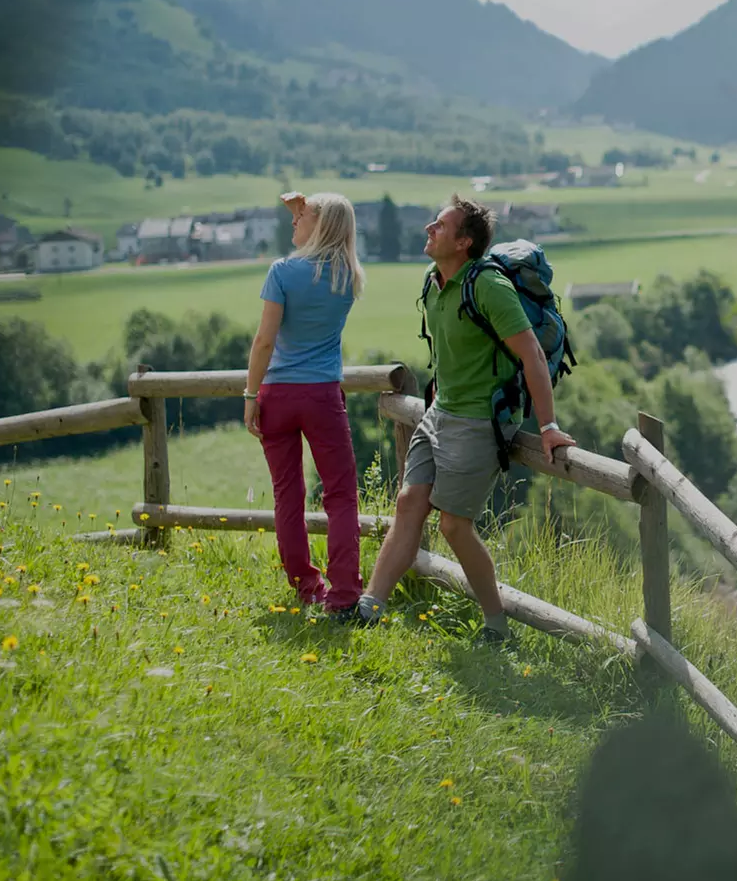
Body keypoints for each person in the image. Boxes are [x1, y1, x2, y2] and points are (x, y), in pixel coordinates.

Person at [354, 195, 577, 640]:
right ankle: (368, 609)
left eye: (440, 225)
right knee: (408, 503)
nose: (429, 229)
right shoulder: (432, 282)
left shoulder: (489, 287)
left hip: (479, 421)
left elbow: (532, 355)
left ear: (464, 242)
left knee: (454, 526)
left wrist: (548, 427)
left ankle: (497, 626)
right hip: (440, 412)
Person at [243, 191, 366, 615]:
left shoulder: (281, 272)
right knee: (340, 495)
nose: (294, 221)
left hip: (277, 395)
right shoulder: (347, 276)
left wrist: (250, 395)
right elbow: (321, 235)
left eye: (302, 216)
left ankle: (306, 587)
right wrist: (305, 210)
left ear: (320, 223)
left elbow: (264, 341)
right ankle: (344, 593)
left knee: (288, 494)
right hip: (322, 395)